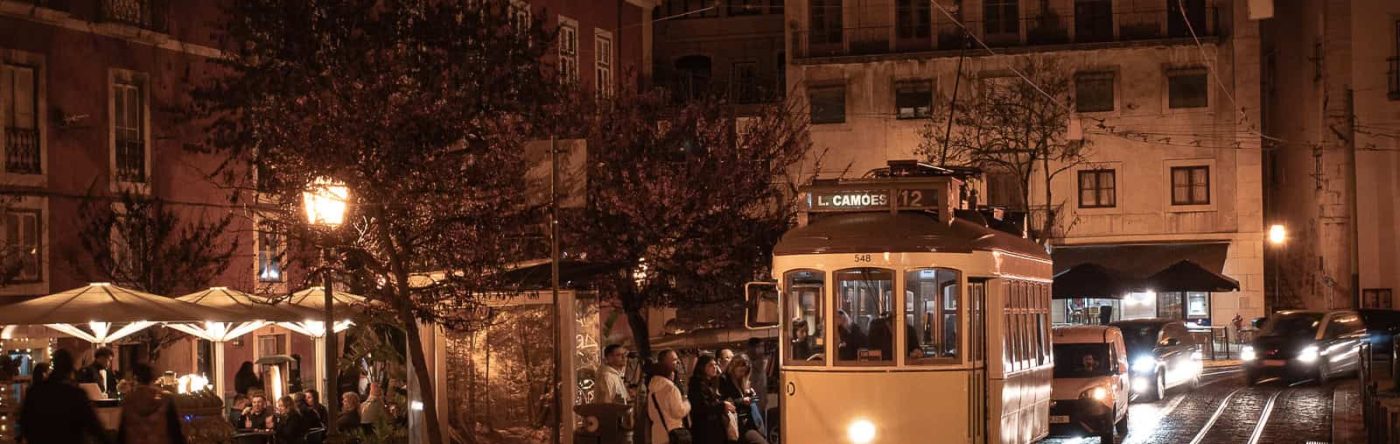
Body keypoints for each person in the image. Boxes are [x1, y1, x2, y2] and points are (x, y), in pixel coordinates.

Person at [17, 349, 108, 444]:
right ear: (70, 369)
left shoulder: (35, 392)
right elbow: (95, 427)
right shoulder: (76, 394)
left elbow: (24, 421)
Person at [117, 363, 186, 444]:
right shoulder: (165, 399)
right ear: (153, 378)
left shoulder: (128, 400)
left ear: (135, 378)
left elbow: (122, 434)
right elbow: (175, 431)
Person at [719, 357, 768, 444]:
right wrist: (742, 400)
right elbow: (724, 402)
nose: (742, 374)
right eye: (740, 371)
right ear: (733, 367)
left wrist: (750, 394)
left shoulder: (742, 380)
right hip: (735, 423)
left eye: (744, 371)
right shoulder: (724, 379)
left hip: (747, 421)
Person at [686, 355, 734, 444]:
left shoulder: (712, 382)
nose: (715, 367)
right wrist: (722, 405)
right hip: (704, 430)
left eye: (715, 365)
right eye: (711, 365)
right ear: (702, 367)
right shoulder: (696, 384)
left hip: (715, 428)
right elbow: (701, 407)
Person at [647, 350, 691, 444]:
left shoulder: (652, 388)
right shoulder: (671, 388)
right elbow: (679, 412)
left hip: (657, 433)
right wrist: (687, 403)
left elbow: (651, 414)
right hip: (672, 433)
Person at [744, 338, 768, 416]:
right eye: (760, 346)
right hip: (749, 399)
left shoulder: (761, 360)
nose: (762, 349)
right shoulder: (745, 362)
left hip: (760, 398)